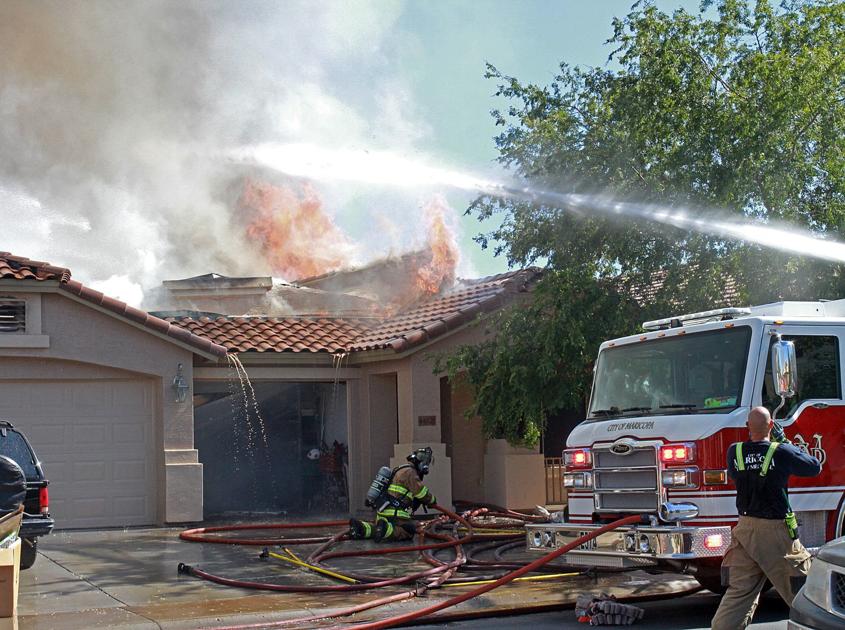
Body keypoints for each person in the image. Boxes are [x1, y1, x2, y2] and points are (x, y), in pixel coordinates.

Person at [711, 406, 821, 630]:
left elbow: (736, 474)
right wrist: (786, 442)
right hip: (775, 534)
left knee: (739, 594)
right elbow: (813, 467)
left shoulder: (734, 451)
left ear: (747, 427)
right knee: (806, 591)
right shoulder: (781, 451)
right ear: (772, 425)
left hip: (744, 531)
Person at [349, 447, 437, 542]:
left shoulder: (399, 469)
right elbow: (421, 492)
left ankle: (362, 528)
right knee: (408, 531)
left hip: (383, 511)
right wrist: (432, 500)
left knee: (377, 528)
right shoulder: (410, 472)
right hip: (395, 513)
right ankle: (386, 530)